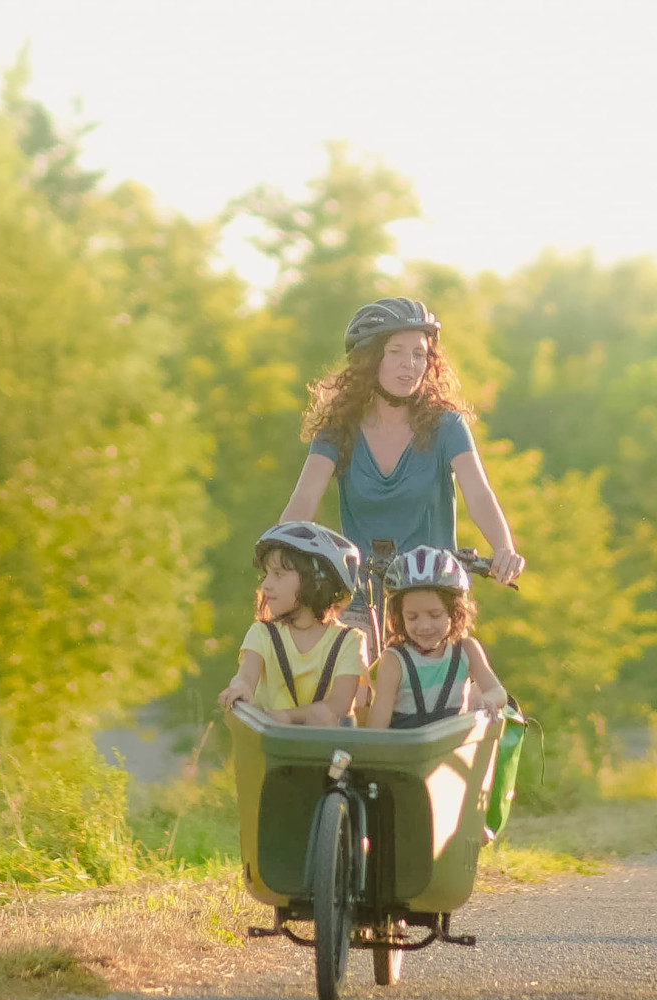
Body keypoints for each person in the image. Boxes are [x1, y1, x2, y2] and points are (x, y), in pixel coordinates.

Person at [276, 297, 527, 588]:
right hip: (363, 595)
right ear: (370, 359)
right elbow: (304, 500)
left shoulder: (447, 426)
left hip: (434, 593)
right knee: (347, 634)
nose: (409, 364)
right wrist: (277, 555)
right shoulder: (338, 429)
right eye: (396, 351)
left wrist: (503, 548)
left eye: (419, 354)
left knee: (456, 636)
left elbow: (479, 494)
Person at [219, 521, 370, 729]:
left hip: (326, 752)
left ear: (316, 581)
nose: (265, 585)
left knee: (322, 716)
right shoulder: (263, 633)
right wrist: (240, 688)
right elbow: (245, 675)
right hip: (271, 749)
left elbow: (338, 706)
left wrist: (286, 717)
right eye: (266, 574)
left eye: (278, 574)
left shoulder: (350, 641)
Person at [349, 546, 506, 729]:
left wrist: (487, 700)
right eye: (412, 617)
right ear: (399, 617)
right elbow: (377, 729)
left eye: (435, 615)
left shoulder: (467, 650)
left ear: (454, 612)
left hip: (451, 748)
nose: (424, 626)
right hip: (407, 752)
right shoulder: (394, 661)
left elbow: (498, 692)